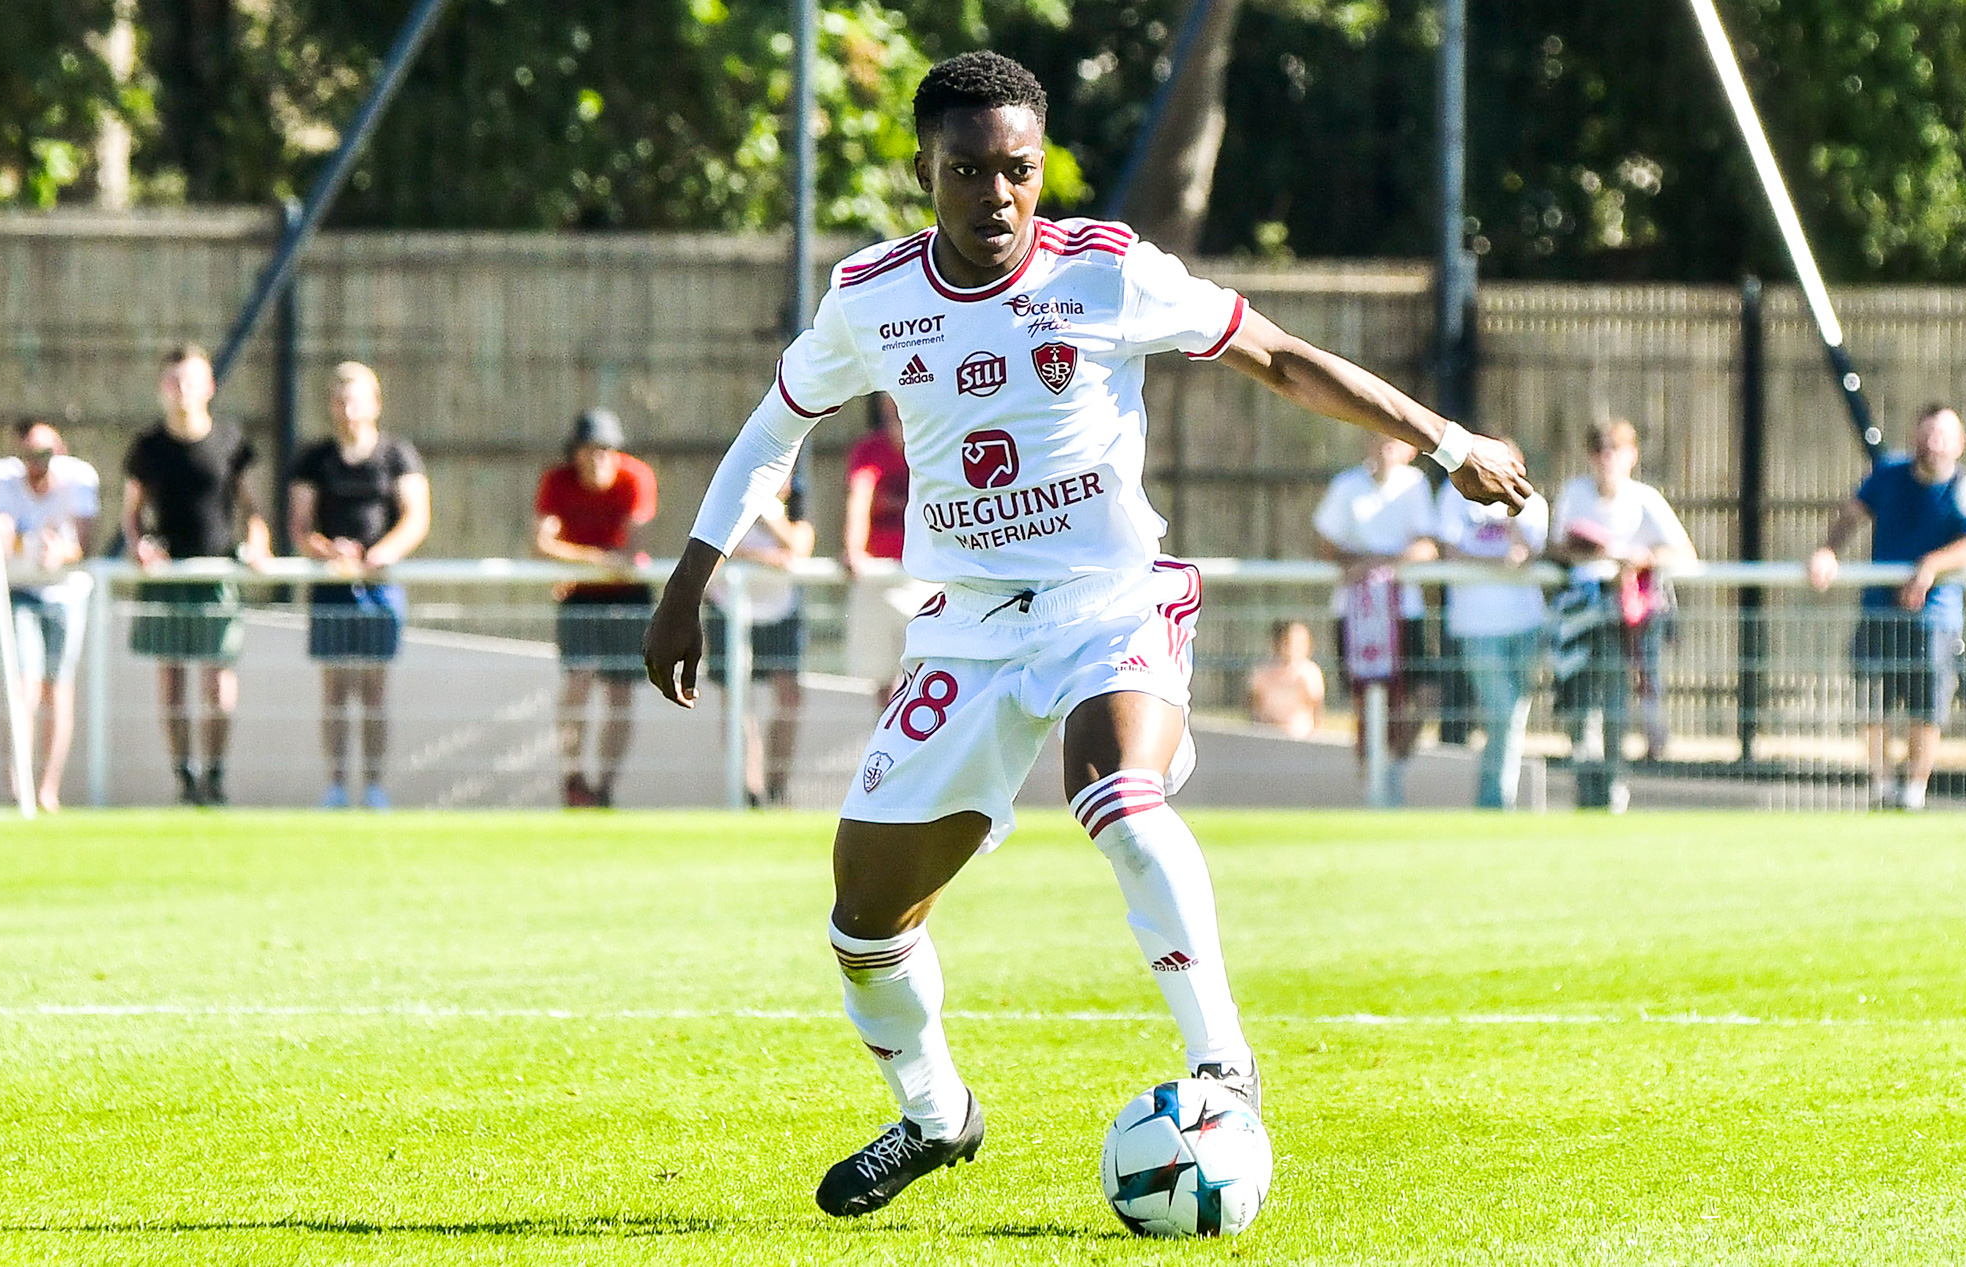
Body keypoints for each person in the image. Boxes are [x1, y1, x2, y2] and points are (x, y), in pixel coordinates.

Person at [641, 51, 1530, 1218]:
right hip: (962, 635)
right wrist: (684, 582)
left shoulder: (1105, 272)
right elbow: (770, 434)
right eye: (966, 171)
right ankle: (932, 1115)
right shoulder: (869, 295)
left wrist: (1444, 440)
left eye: (1016, 170)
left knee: (1113, 792)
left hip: (1111, 604)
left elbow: (1279, 357)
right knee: (863, 919)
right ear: (923, 171)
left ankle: (1221, 1062)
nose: (995, 195)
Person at [123, 343, 270, 806]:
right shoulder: (147, 447)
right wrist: (140, 547)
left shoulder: (231, 441)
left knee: (217, 680)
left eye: (189, 380)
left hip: (216, 574)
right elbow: (131, 516)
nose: (180, 390)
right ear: (161, 388)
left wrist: (259, 544)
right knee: (171, 681)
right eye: (172, 381)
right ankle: (184, 779)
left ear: (208, 387)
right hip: (167, 577)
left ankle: (215, 775)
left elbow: (255, 509)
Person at [1809, 404, 1966, 810]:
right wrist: (1828, 550)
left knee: (1926, 707)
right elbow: (1852, 514)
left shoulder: (1963, 488)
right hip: (1878, 609)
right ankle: (1881, 785)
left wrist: (1930, 566)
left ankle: (1914, 791)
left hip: (1935, 618)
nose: (1934, 443)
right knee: (1871, 701)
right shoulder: (1889, 474)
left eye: (1943, 435)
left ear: (1959, 444)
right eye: (1927, 433)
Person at [287, 362, 431, 810]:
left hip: (380, 588)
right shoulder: (314, 458)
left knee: (373, 689)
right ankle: (335, 786)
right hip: (332, 586)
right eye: (340, 399)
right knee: (334, 689)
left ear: (375, 403)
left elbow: (416, 517)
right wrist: (332, 552)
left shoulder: (397, 455)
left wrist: (382, 553)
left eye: (357, 398)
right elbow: (300, 525)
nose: (348, 409)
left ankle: (373, 786)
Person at [1547, 419, 1695, 811]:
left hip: (1621, 618)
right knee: (1579, 708)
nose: (1606, 458)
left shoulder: (1644, 498)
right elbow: (1556, 548)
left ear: (1631, 455)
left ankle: (1612, 791)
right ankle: (1586, 793)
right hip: (1579, 617)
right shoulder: (1573, 493)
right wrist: (1592, 552)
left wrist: (1641, 558)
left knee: (1614, 708)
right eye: (1599, 449)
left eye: (1615, 449)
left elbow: (1682, 551)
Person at [535, 408, 658, 808]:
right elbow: (543, 542)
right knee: (577, 683)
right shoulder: (557, 480)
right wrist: (596, 562)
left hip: (627, 595)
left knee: (621, 692)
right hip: (580, 594)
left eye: (606, 449)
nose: (597, 459)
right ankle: (574, 780)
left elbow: (634, 546)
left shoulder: (635, 478)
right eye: (589, 450)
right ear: (575, 453)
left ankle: (604, 786)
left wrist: (592, 563)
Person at [1312, 433, 1439, 806]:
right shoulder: (1347, 486)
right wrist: (1358, 566)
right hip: (1355, 613)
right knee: (1363, 702)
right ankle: (1372, 788)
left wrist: (1383, 565)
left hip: (1403, 611)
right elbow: (1324, 543)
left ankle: (1393, 770)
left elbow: (1428, 545)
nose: (1384, 446)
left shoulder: (1414, 487)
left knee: (1420, 696)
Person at [0, 418, 99, 811]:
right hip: (20, 592)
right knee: (23, 688)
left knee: (57, 688)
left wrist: (61, 552)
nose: (40, 463)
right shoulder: (0, 478)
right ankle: (19, 788)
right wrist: (3, 538)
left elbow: (82, 542)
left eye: (47, 453)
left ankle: (48, 789)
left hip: (65, 596)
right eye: (31, 454)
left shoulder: (79, 479)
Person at [1435, 437, 1549, 809]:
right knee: (1503, 712)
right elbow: (1451, 551)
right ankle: (1496, 799)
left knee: (1513, 716)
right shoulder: (1454, 496)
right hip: (1476, 625)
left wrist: (1508, 508)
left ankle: (1497, 799)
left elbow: (1525, 553)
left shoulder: (1532, 503)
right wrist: (1494, 563)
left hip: (1526, 623)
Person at [708, 480, 814, 806]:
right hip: (729, 610)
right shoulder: (726, 502)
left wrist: (771, 517)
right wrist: (765, 557)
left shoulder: (796, 510)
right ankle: (748, 791)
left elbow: (798, 549)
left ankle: (777, 787)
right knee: (737, 701)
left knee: (789, 696)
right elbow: (716, 553)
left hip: (780, 613)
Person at [842, 393, 938, 707]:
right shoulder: (869, 450)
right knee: (882, 678)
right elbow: (860, 496)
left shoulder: (937, 444)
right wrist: (854, 550)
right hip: (879, 579)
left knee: (930, 673)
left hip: (927, 579)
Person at [1249, 620, 1326, 738]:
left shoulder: (1309, 673)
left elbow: (1316, 709)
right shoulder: (1262, 674)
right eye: (1288, 642)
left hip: (1299, 737)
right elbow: (1253, 705)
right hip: (1267, 735)